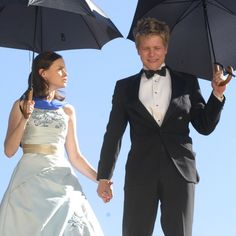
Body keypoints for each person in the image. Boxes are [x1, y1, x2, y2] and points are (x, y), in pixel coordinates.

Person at [96, 18, 227, 236]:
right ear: (138, 50)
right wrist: (104, 176)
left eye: (157, 47)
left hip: (180, 172)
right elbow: (113, 134)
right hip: (140, 173)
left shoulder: (187, 82)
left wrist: (217, 94)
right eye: (146, 48)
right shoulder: (124, 88)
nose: (152, 53)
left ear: (166, 48)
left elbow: (204, 126)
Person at [0, 51, 104, 236]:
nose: (66, 73)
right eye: (60, 69)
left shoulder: (68, 111)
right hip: (29, 178)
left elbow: (75, 156)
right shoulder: (20, 105)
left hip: (61, 176)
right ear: (43, 73)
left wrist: (101, 179)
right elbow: (9, 151)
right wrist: (25, 118)